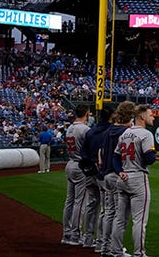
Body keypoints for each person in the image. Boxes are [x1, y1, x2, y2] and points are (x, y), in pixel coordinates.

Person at [110, 105, 157, 257]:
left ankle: (116, 251)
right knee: (139, 221)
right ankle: (139, 254)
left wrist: (120, 172)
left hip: (122, 178)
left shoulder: (125, 133)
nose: (153, 117)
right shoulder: (146, 134)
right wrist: (152, 151)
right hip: (137, 177)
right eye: (150, 115)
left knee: (120, 219)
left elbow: (115, 157)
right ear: (142, 117)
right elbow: (150, 159)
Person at [99, 102, 137, 257]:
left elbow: (100, 153)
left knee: (109, 213)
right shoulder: (127, 132)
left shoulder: (109, 130)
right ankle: (116, 250)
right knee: (119, 217)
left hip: (106, 174)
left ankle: (105, 248)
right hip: (118, 174)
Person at [79, 107, 112, 251]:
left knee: (91, 205)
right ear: (111, 117)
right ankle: (100, 242)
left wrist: (89, 166)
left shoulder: (90, 131)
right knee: (106, 209)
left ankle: (87, 239)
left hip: (90, 171)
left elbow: (83, 152)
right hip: (103, 173)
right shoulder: (110, 132)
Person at [61, 105, 92, 247]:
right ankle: (75, 235)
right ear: (86, 113)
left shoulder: (70, 128)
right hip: (80, 165)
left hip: (70, 163)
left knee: (70, 201)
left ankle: (66, 233)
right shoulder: (84, 129)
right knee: (80, 202)